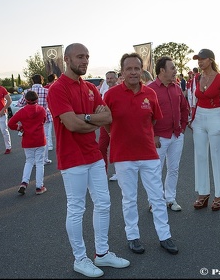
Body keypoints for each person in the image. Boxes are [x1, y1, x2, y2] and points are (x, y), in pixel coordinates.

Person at [46, 43, 129, 278]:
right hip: (71, 157)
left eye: (87, 57)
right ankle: (80, 259)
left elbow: (108, 117)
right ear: (66, 59)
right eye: (79, 57)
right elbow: (71, 124)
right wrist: (92, 119)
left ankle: (102, 254)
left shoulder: (90, 89)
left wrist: (85, 118)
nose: (84, 61)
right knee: (76, 208)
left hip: (92, 155)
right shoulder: (57, 89)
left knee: (103, 203)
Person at [103, 52, 179, 255]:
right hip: (123, 156)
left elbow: (153, 120)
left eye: (137, 68)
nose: (133, 72)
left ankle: (165, 236)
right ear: (122, 72)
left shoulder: (150, 94)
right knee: (129, 198)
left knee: (157, 197)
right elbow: (106, 123)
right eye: (129, 69)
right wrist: (118, 136)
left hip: (148, 154)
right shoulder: (110, 95)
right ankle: (133, 237)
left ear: (141, 70)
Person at [189, 49, 220, 211]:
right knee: (200, 155)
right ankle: (203, 193)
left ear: (211, 60)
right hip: (199, 117)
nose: (199, 62)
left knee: (217, 155)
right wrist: (192, 120)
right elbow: (195, 100)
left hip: (215, 117)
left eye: (203, 59)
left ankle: (219, 195)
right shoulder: (197, 77)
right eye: (198, 59)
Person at [148, 56, 189, 212]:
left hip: (177, 135)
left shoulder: (177, 87)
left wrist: (183, 127)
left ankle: (170, 199)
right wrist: (153, 135)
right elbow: (146, 116)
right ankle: (154, 202)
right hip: (159, 138)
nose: (175, 71)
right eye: (172, 68)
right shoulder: (150, 89)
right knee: (155, 170)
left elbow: (184, 108)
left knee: (174, 169)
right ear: (162, 70)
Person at [8, 90, 47, 195]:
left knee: (29, 161)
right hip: (40, 139)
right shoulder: (42, 110)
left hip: (27, 140)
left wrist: (19, 127)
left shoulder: (22, 111)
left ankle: (24, 182)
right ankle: (39, 186)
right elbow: (44, 120)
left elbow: (10, 123)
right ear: (37, 99)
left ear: (25, 100)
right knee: (39, 163)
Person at [18, 74, 53, 165]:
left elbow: (19, 103)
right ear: (42, 81)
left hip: (30, 118)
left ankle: (32, 160)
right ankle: (44, 159)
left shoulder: (27, 92)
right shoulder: (47, 91)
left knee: (31, 138)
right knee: (45, 137)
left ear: (33, 81)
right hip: (44, 117)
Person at [98, 70, 119, 181]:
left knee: (117, 148)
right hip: (105, 123)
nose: (109, 80)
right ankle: (103, 173)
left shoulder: (121, 91)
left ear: (116, 79)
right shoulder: (105, 92)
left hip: (118, 124)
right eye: (108, 78)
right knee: (101, 147)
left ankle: (119, 172)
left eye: (111, 78)